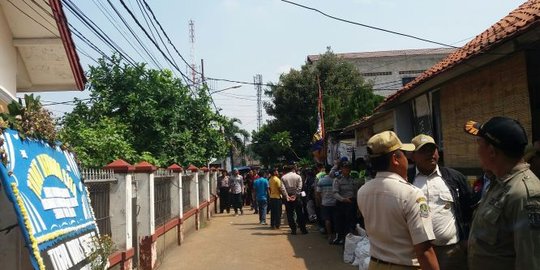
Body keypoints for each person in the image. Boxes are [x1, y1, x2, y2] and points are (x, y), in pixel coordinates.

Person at [464, 117, 540, 270]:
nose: (477, 151)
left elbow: (530, 262)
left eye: (479, 144)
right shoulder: (498, 183)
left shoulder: (523, 194)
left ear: (491, 151)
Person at [358, 131, 439, 270]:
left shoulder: (363, 191)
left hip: (375, 265)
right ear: (395, 159)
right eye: (403, 154)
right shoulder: (411, 194)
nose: (407, 160)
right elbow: (424, 250)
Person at [408, 134, 472, 270]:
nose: (430, 154)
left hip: (451, 252)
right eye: (424, 151)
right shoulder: (405, 179)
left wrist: (466, 239)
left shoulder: (455, 177)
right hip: (416, 252)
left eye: (433, 150)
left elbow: (468, 209)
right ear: (412, 156)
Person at [332, 161, 360, 245]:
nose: (347, 169)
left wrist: (357, 204)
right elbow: (335, 193)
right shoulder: (337, 179)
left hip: (351, 203)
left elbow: (356, 192)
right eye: (345, 167)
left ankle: (349, 240)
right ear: (341, 169)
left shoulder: (352, 179)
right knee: (341, 222)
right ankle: (341, 239)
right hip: (341, 204)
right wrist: (343, 199)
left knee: (351, 223)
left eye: (348, 167)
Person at [280, 165, 308, 235]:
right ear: (293, 169)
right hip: (297, 196)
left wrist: (287, 196)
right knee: (299, 213)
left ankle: (293, 230)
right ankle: (303, 229)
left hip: (288, 197)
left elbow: (283, 188)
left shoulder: (283, 177)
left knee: (290, 214)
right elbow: (300, 187)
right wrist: (296, 195)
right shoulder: (298, 176)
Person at [316, 165, 336, 244]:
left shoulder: (321, 180)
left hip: (325, 203)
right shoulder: (335, 180)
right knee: (335, 219)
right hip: (335, 203)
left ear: (325, 171)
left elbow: (318, 193)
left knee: (327, 220)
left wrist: (320, 201)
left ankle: (330, 235)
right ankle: (336, 235)